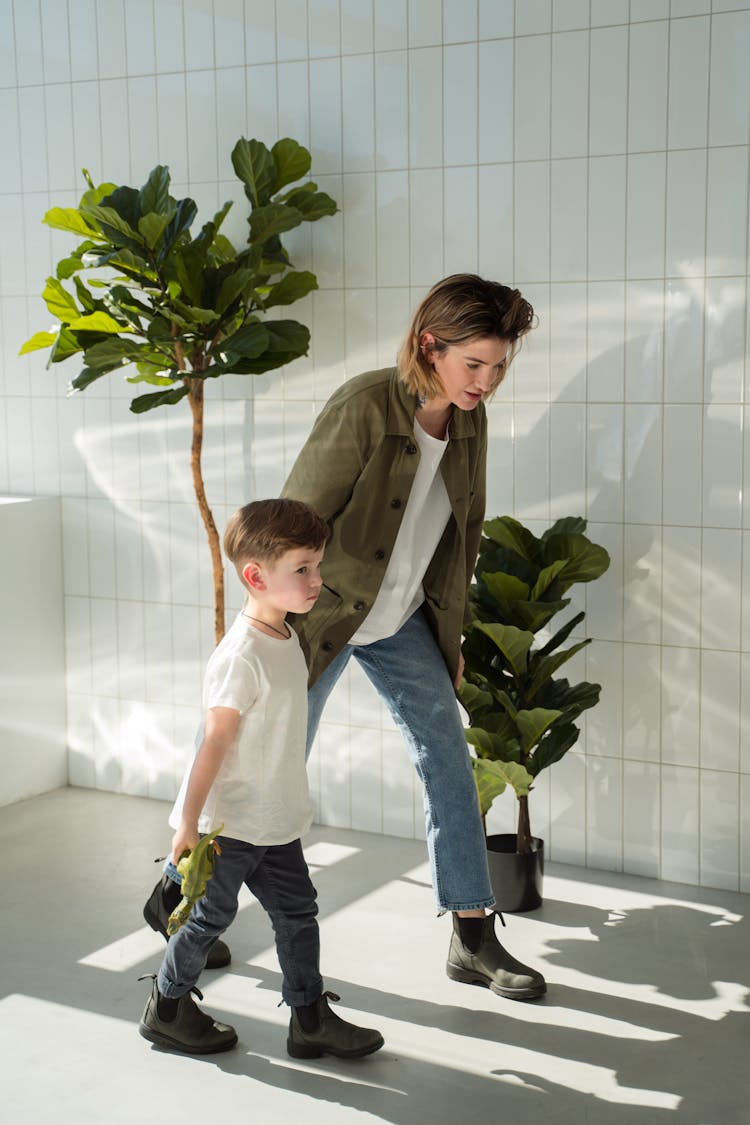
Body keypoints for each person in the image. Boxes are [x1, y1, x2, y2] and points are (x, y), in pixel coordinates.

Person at [281, 274, 546, 1001]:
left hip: (401, 622)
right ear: (431, 346)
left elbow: (460, 541)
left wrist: (451, 640)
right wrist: (274, 632)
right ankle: (184, 901)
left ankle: (472, 934)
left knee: (448, 764)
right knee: (268, 766)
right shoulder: (366, 405)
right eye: (474, 365)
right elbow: (292, 524)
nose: (486, 382)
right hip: (324, 617)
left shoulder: (471, 422)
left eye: (497, 367)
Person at [138, 499, 384, 1058]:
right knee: (208, 920)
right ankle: (168, 1007)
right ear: (256, 576)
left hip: (275, 819)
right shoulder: (240, 655)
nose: (317, 580)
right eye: (303, 569)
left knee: (298, 915)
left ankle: (309, 1017)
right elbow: (213, 744)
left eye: (317, 567)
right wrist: (189, 827)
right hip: (231, 824)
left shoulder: (287, 638)